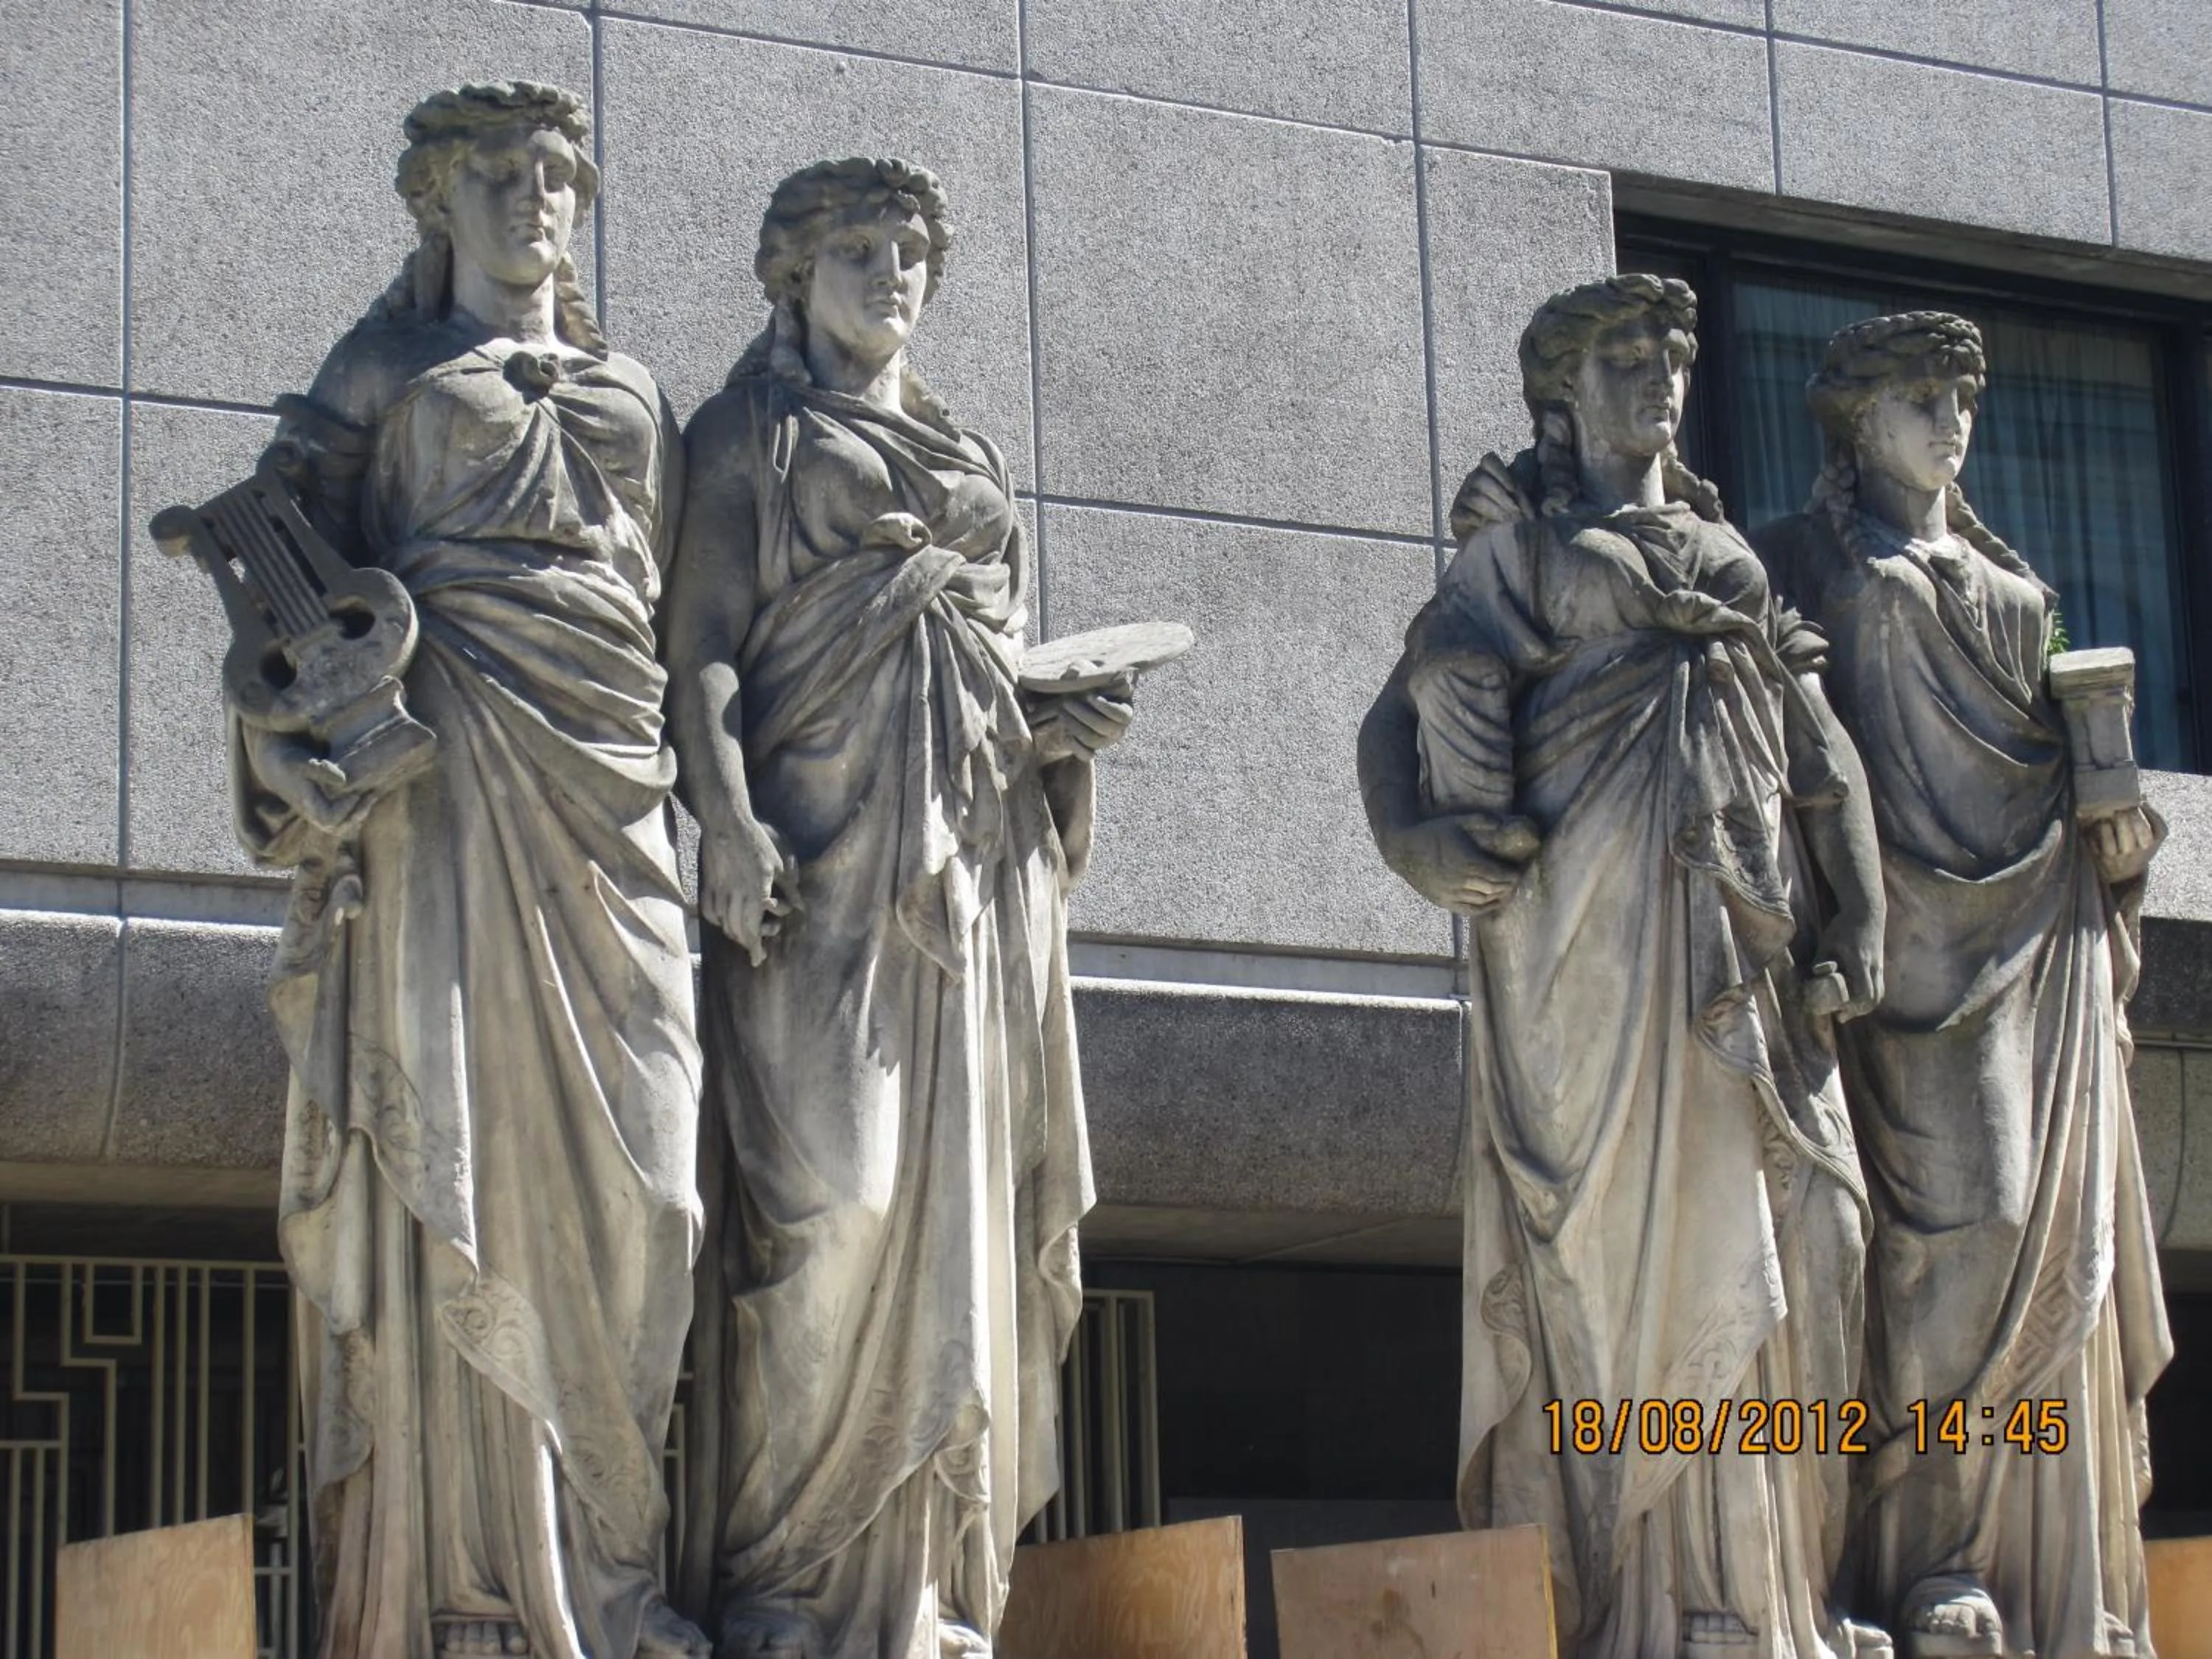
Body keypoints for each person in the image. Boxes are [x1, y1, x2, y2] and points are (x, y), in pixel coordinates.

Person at [230, 82, 706, 1659]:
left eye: (556, 172)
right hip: (446, 797)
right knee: (467, 1151)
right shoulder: (379, 373)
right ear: (437, 205)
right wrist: (282, 745)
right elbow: (272, 601)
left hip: (614, 800)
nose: (532, 197)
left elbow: (691, 632)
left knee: (652, 1181)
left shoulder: (639, 388)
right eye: (493, 176)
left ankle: (613, 1575)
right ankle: (468, 1593)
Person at [1360, 274, 1890, 1659]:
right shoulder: (1519, 553)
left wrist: (1863, 921)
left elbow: (1818, 746)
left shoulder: (1731, 555)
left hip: (1744, 945)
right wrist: (1417, 844)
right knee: (1621, 1274)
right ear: (1564, 392)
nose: (1660, 375)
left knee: (1807, 1235)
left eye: (1674, 355)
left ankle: (1763, 1593)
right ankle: (1648, 1598)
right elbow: (1399, 713)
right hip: (1585, 957)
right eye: (1626, 357)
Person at [664, 157, 1131, 1659]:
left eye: (910, 251)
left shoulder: (970, 450)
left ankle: (928, 1592)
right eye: (856, 250)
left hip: (970, 880)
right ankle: (781, 1580)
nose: (890, 274)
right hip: (819, 877)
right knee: (836, 1212)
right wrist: (723, 824)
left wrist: (1070, 737)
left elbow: (1005, 668)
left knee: (960, 1232)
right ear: (792, 273)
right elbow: (706, 653)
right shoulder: (749, 433)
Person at [1756, 313, 2170, 1659]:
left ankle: (1944, 1552)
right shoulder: (1795, 557)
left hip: (2017, 942)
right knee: (1853, 1255)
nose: (1952, 422)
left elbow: (2073, 773)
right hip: (1866, 948)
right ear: (1855, 422)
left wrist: (2120, 829)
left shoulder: (2018, 591)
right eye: (1920, 398)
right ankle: (1835, 1556)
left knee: (1996, 1228)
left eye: (1964, 400)